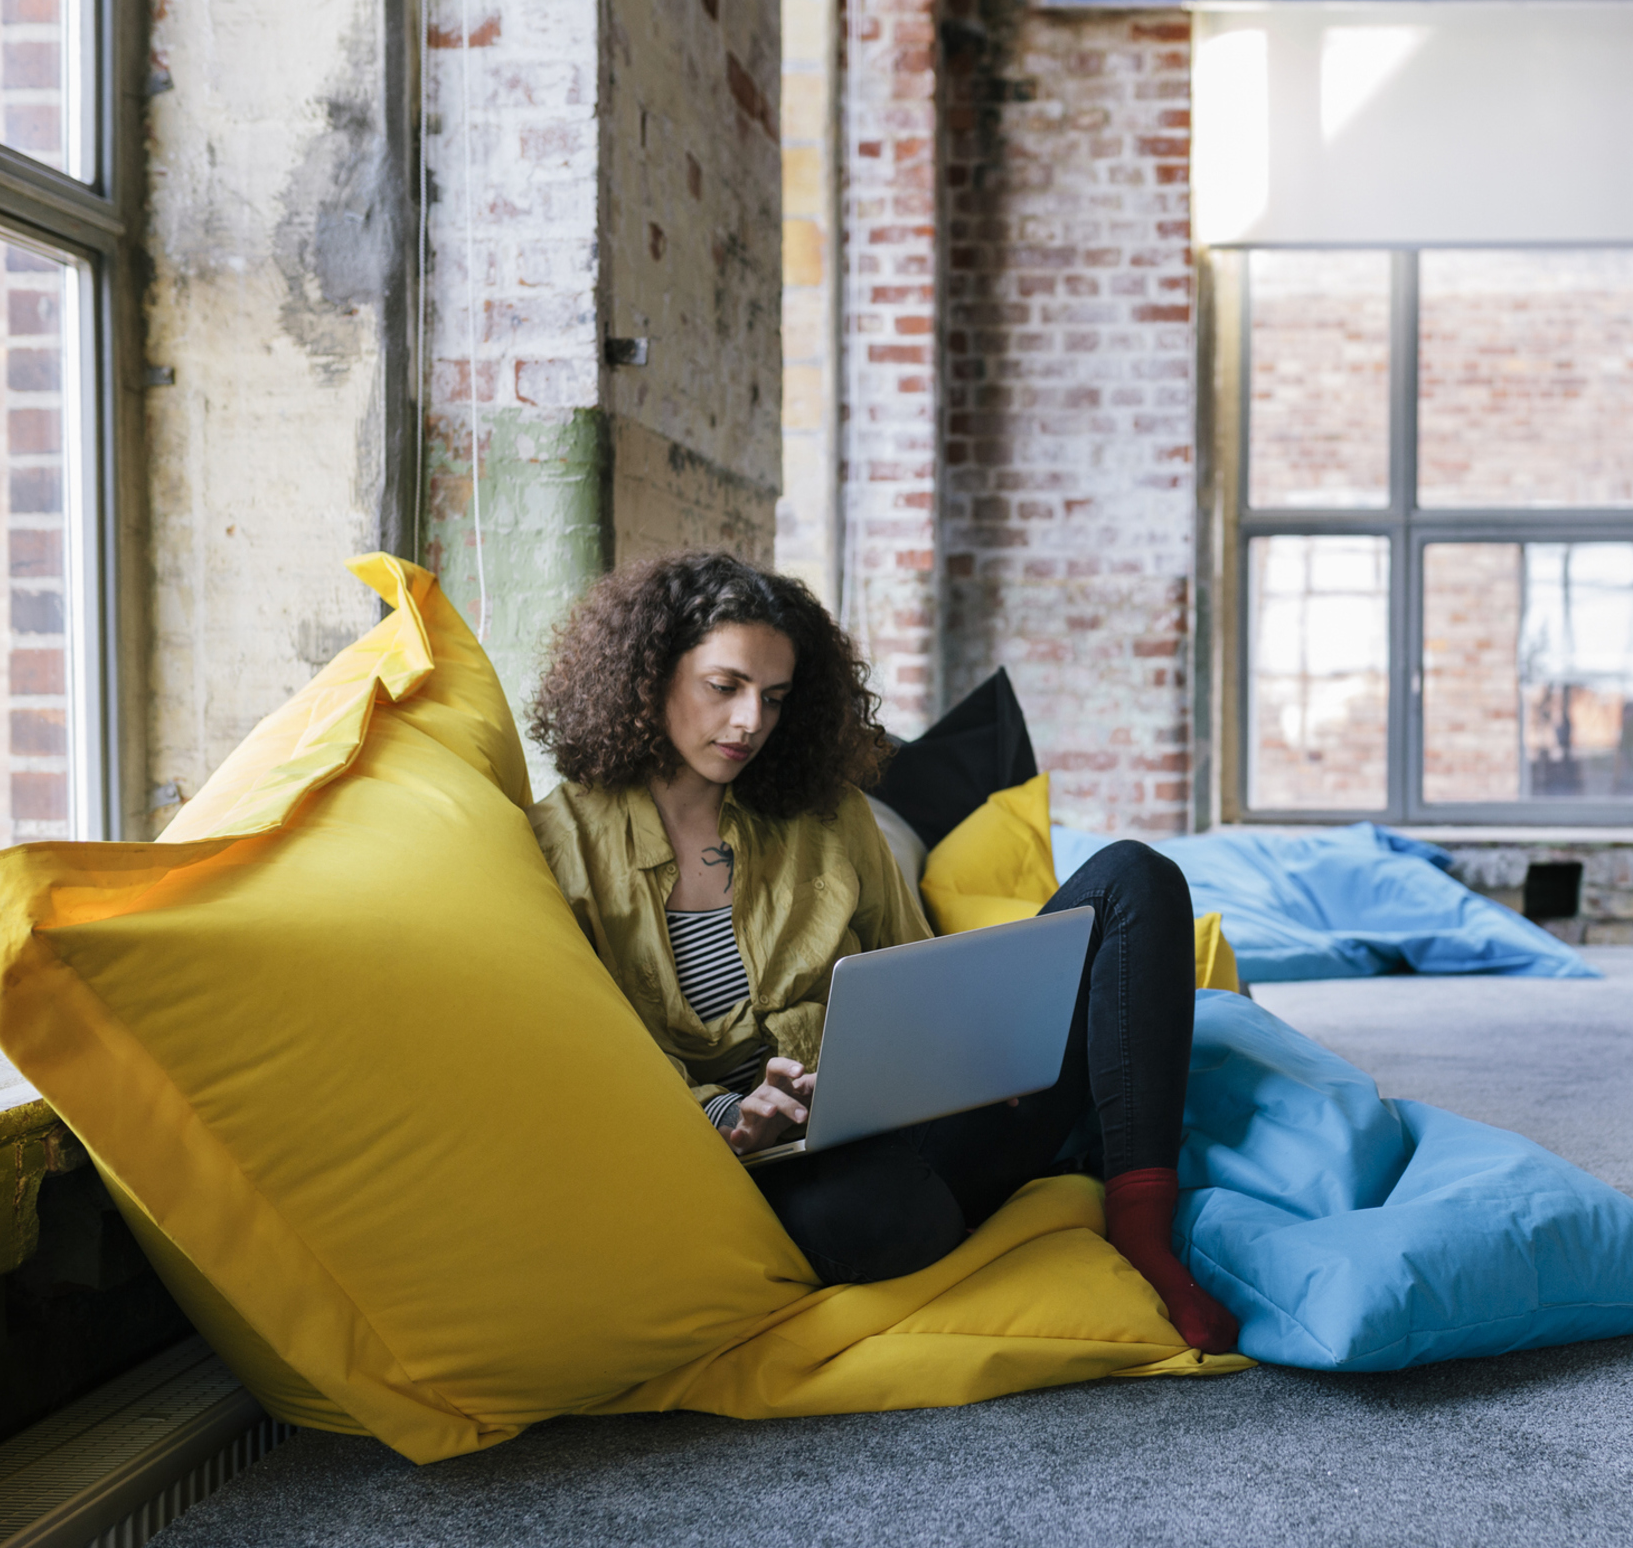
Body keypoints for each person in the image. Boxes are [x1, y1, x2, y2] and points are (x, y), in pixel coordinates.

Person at [524, 551, 1238, 1353]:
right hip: (761, 1164)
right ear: (650, 675)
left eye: (775, 698)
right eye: (723, 687)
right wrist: (728, 1114)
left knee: (1133, 877)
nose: (750, 722)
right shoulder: (561, 847)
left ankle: (1141, 1227)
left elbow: (917, 972)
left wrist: (972, 1060)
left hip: (908, 1116)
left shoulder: (829, 816)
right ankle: (1031, 1166)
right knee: (872, 1219)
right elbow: (591, 1061)